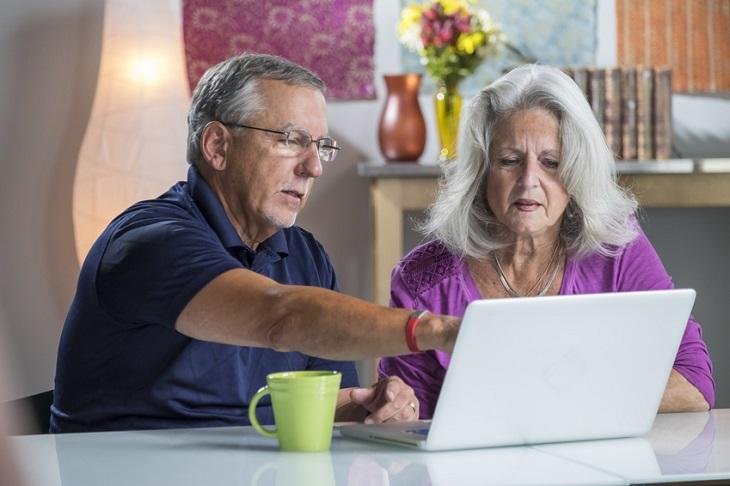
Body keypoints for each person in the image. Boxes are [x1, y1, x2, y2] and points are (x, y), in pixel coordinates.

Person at [50, 53, 459, 433]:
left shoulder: (306, 255)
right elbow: (279, 315)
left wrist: (369, 407)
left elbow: (320, 403)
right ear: (217, 146)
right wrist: (439, 330)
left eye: (320, 146)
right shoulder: (150, 242)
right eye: (291, 139)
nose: (313, 167)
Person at [378, 64, 715, 419]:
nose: (529, 182)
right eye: (509, 161)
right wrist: (397, 408)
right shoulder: (421, 279)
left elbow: (694, 384)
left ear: (576, 170)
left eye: (551, 162)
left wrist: (552, 401)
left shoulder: (616, 248)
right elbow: (408, 423)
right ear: (481, 171)